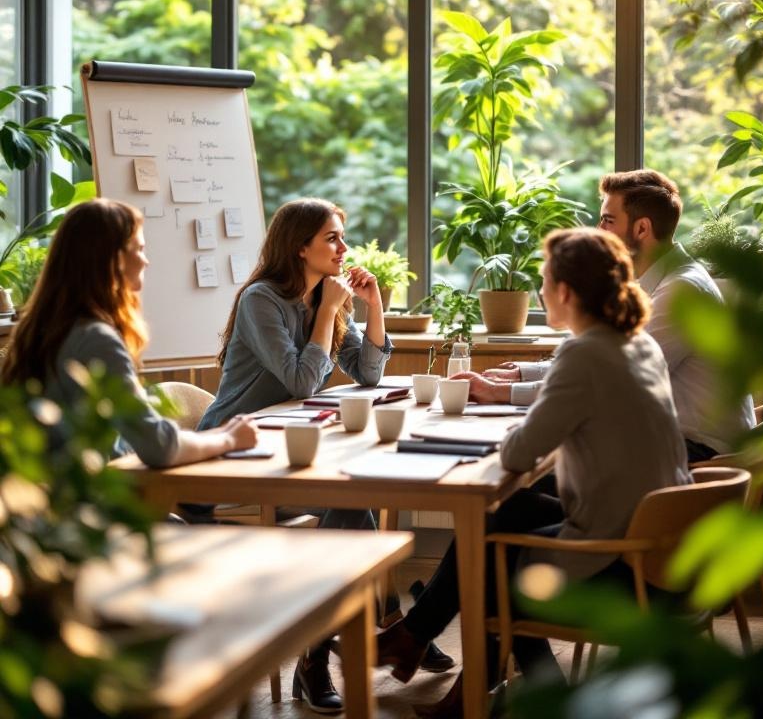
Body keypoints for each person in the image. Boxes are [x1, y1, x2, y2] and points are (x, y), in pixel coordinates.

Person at [376, 227, 690, 717]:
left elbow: (520, 454)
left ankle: (538, 697)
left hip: (621, 556)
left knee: (493, 564)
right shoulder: (636, 344)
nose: (541, 291)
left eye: (543, 281)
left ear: (564, 291)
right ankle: (432, 658)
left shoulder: (584, 353)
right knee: (499, 515)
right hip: (666, 545)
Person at [198, 196, 393, 715]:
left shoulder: (321, 300)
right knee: (353, 502)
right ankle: (382, 625)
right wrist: (329, 309)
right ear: (298, 246)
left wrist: (372, 309)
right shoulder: (262, 301)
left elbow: (369, 374)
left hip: (287, 449)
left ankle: (321, 651)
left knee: (354, 500)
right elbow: (303, 383)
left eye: (341, 237)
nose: (344, 248)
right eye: (332, 238)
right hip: (231, 454)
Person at [471, 169, 755, 461]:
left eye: (608, 220)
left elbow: (603, 379)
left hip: (701, 454)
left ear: (642, 229)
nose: (599, 229)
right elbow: (596, 363)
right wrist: (520, 374)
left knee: (521, 481)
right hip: (678, 443)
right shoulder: (655, 284)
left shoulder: (681, 292)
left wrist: (501, 393)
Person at [0, 198, 258, 468]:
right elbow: (159, 447)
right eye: (140, 248)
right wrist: (228, 438)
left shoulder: (37, 331)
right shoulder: (97, 340)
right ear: (113, 259)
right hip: (87, 502)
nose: (146, 261)